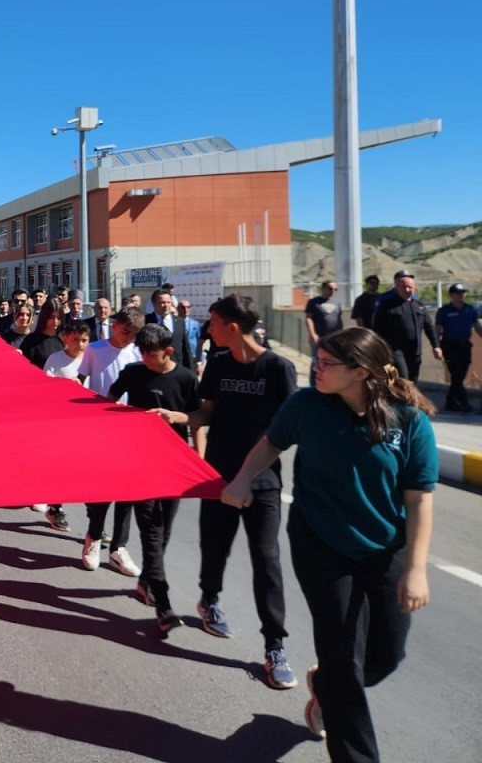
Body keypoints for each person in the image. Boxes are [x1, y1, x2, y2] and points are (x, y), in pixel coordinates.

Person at [221, 328, 437, 762]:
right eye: (316, 360)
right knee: (342, 661)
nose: (315, 369)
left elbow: (418, 499)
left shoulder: (409, 420)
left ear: (360, 372)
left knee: (385, 655)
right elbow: (271, 443)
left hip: (385, 548)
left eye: (326, 364)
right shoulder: (307, 405)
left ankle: (326, 686)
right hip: (319, 542)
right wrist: (243, 478)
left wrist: (416, 570)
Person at [151, 293, 299, 690]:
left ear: (232, 327)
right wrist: (177, 416)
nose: (208, 327)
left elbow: (285, 432)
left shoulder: (279, 369)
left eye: (213, 322)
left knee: (267, 560)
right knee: (215, 546)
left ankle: (274, 646)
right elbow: (206, 413)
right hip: (217, 477)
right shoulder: (217, 364)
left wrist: (248, 477)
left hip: (262, 482)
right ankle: (209, 600)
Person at [107, 323, 201, 636]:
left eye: (151, 354)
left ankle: (147, 581)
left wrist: (198, 459)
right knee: (152, 530)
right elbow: (109, 399)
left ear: (168, 351)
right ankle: (163, 604)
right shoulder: (134, 372)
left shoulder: (186, 378)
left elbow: (198, 419)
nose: (145, 359)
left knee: (164, 530)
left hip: (174, 464)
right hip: (138, 463)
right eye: (142, 353)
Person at [77, 307, 145, 575]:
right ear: (115, 325)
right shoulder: (94, 349)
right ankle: (93, 537)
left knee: (127, 489)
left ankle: (119, 547)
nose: (129, 338)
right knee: (101, 488)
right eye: (126, 331)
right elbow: (80, 381)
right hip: (100, 425)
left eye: (134, 334)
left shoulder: (138, 353)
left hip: (131, 426)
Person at [38, 318, 91, 534]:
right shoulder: (55, 359)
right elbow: (45, 387)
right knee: (61, 467)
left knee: (87, 471)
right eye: (76, 339)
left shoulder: (91, 359)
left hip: (87, 422)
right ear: (65, 338)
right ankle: (55, 507)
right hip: (61, 422)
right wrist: (67, 387)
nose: (80, 344)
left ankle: (95, 520)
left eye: (84, 340)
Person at [371, 270, 441, 382]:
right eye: (403, 287)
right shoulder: (386, 306)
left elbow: (429, 327)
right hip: (394, 351)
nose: (407, 290)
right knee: (401, 379)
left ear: (414, 288)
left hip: (415, 351)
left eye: (410, 287)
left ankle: (405, 394)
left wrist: (436, 346)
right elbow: (377, 329)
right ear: (397, 287)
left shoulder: (419, 306)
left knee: (413, 381)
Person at [435, 283, 481, 412]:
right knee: (456, 374)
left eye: (462, 293)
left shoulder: (469, 310)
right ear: (451, 295)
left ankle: (450, 402)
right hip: (449, 346)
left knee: (460, 375)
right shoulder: (444, 311)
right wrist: (436, 346)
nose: (461, 295)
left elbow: (477, 327)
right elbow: (438, 329)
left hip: (464, 346)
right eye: (458, 293)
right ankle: (464, 402)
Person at [305, 280, 345, 386]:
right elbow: (308, 318)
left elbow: (339, 319)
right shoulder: (314, 302)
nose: (333, 291)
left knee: (333, 360)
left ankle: (330, 382)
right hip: (319, 338)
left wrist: (341, 335)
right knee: (317, 360)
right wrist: (313, 334)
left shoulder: (336, 303)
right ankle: (314, 384)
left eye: (335, 289)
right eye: (330, 288)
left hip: (334, 338)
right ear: (323, 288)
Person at [20, 300, 62, 368]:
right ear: (44, 317)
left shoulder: (64, 339)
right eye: (51, 317)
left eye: (59, 318)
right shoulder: (31, 340)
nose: (55, 321)